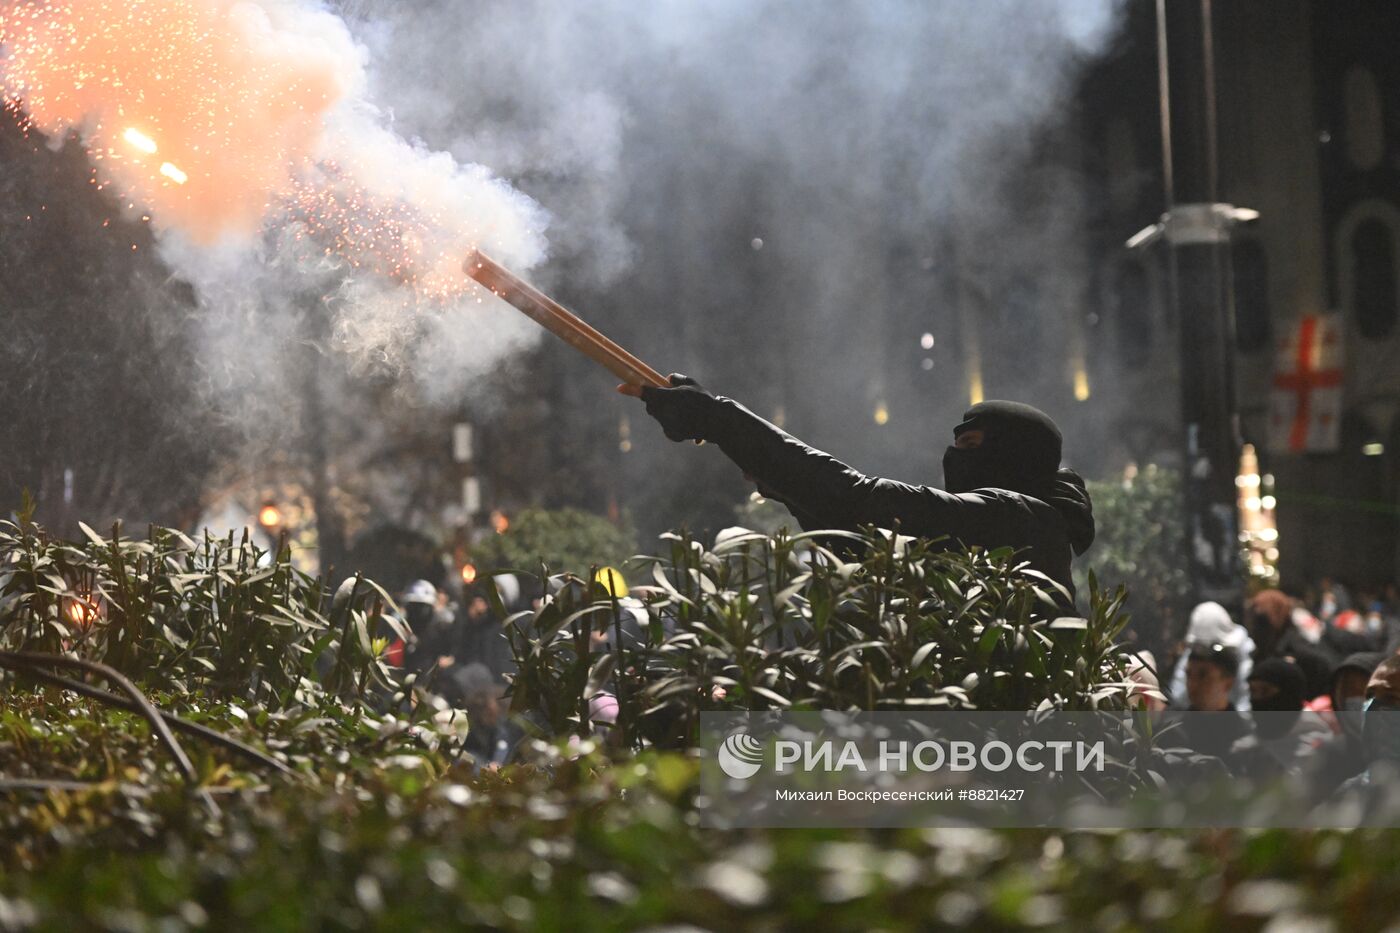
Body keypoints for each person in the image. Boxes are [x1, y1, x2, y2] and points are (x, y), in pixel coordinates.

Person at [624, 376, 1094, 607]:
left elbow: (859, 501)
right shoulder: (1023, 522)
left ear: (1015, 456)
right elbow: (862, 546)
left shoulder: (1021, 519)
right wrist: (783, 484)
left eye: (971, 445)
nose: (956, 458)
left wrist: (717, 419)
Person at [1168, 601, 1255, 711]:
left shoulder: (1239, 649)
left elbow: (1244, 694)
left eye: (1203, 675)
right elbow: (1178, 691)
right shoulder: (1193, 652)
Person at [1170, 645, 1252, 760]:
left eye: (1203, 676)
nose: (1192, 684)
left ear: (1228, 684)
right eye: (1189, 675)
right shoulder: (1171, 731)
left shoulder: (1245, 736)